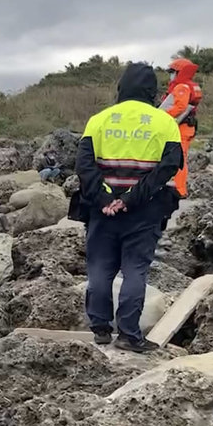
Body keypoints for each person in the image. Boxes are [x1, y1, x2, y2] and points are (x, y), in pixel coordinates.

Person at [71, 62, 183, 353]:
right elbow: (168, 167)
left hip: (101, 210)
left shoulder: (99, 120)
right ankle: (129, 334)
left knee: (99, 269)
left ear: (122, 87)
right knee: (135, 270)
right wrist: (131, 199)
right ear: (152, 91)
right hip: (144, 210)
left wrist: (106, 199)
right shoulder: (164, 122)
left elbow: (84, 165)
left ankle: (100, 330)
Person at [159, 58, 202, 198]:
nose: (170, 75)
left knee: (180, 159)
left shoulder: (182, 87)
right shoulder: (187, 86)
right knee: (178, 158)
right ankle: (177, 187)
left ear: (179, 72)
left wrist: (159, 115)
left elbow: (180, 107)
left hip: (182, 128)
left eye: (172, 72)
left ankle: (180, 190)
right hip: (185, 127)